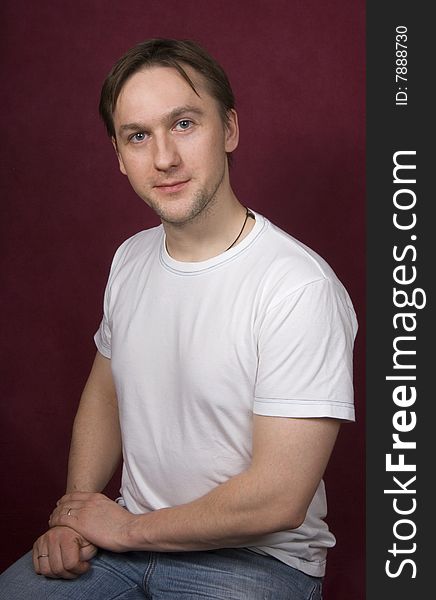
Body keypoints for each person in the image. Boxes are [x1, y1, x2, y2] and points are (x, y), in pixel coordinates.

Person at [0, 38, 357, 599]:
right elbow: (106, 395)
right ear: (119, 157)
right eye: (138, 136)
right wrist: (74, 513)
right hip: (121, 548)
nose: (163, 158)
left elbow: (280, 498)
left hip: (255, 563)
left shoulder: (298, 286)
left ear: (230, 130)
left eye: (184, 124)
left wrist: (126, 527)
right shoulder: (131, 257)